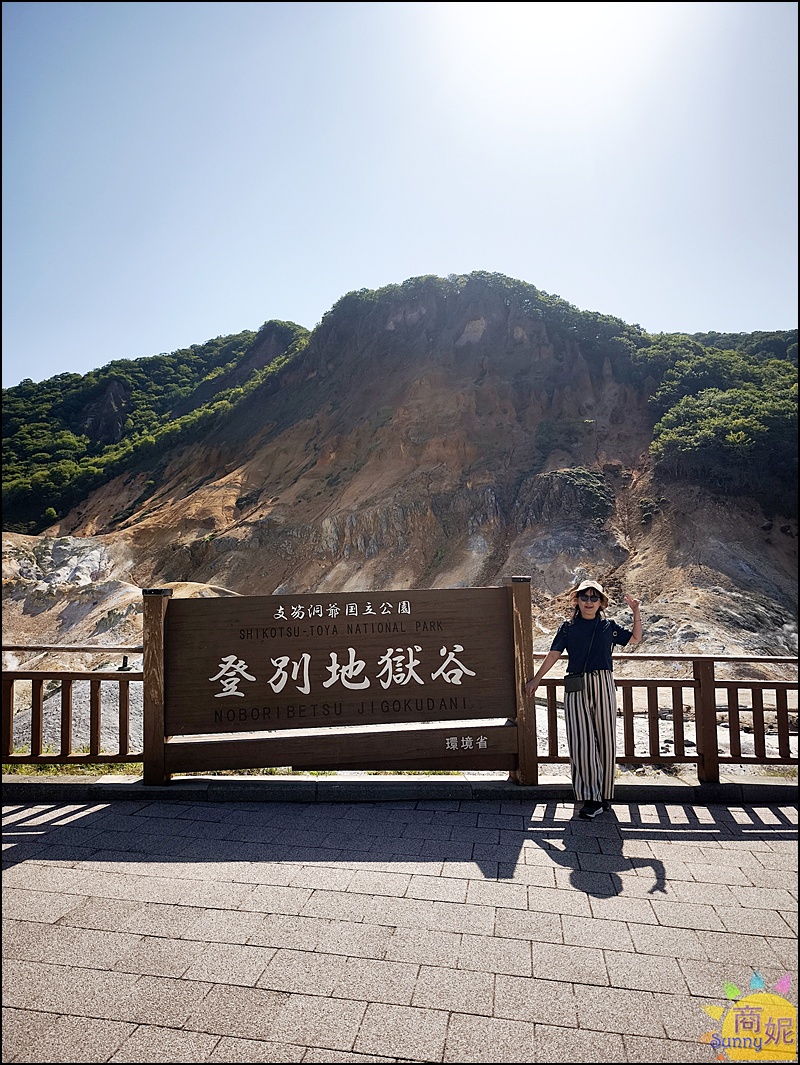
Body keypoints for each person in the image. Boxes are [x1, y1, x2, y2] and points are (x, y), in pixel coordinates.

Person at [525, 579, 642, 819]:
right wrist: (536, 679)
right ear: (575, 599)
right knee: (581, 741)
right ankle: (591, 797)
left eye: (594, 598)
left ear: (601, 602)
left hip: (604, 683)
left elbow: (635, 639)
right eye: (584, 597)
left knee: (605, 739)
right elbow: (554, 654)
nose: (589, 602)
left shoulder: (608, 626)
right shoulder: (567, 628)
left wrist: (636, 612)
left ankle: (602, 795)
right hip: (576, 684)